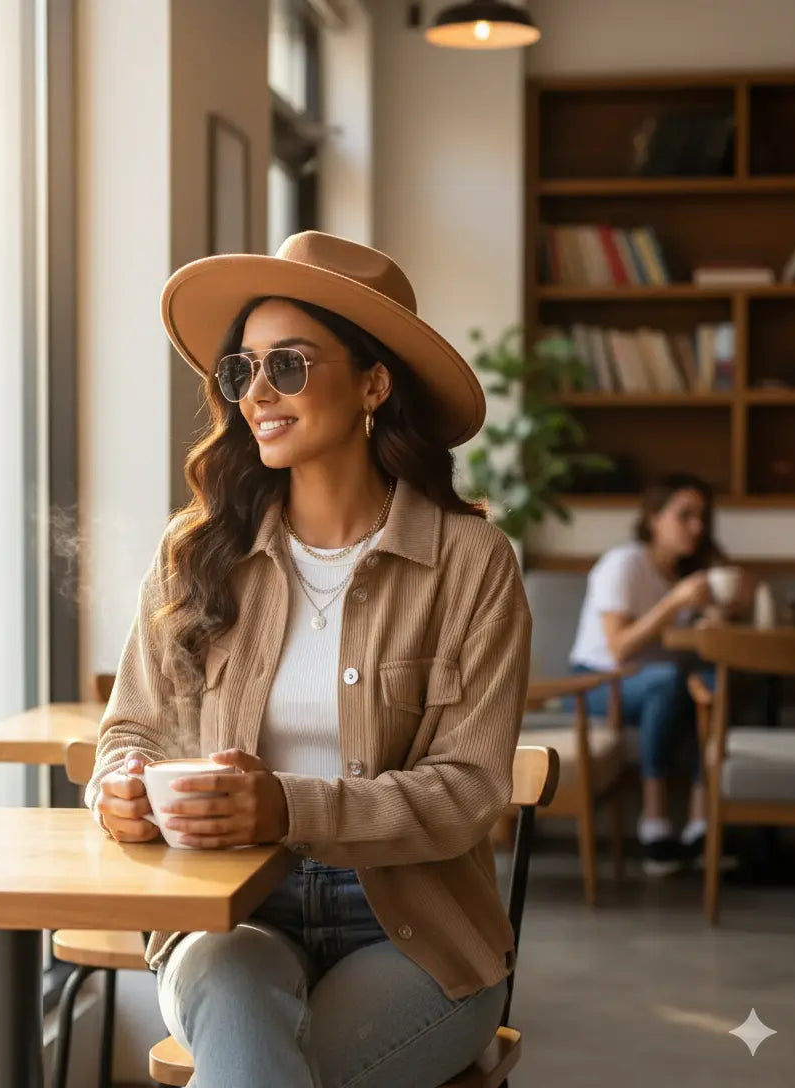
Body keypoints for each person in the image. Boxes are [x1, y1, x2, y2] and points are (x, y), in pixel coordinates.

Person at [84, 231, 532, 1088]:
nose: (258, 392)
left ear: (373, 383)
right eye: (242, 370)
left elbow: (469, 791)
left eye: (287, 365)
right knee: (243, 1021)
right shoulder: (195, 554)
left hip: (417, 928)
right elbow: (131, 728)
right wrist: (122, 786)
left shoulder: (471, 563)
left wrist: (285, 805)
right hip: (231, 913)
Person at [568, 474, 747, 875]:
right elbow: (619, 647)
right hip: (596, 683)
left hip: (657, 684)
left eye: (701, 517)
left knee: (713, 685)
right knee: (667, 681)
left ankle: (701, 826)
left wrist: (716, 614)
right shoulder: (624, 563)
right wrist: (675, 602)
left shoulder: (684, 574)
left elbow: (689, 646)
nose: (697, 527)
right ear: (653, 518)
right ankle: (654, 822)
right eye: (685, 516)